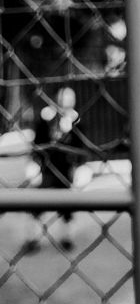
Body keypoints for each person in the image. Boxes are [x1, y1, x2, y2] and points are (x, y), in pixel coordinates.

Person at [22, 87, 80, 252]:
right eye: (64, 99)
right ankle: (32, 238)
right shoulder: (46, 118)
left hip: (65, 170)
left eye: (70, 99)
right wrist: (34, 164)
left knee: (67, 207)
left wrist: (80, 167)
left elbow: (80, 148)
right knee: (37, 205)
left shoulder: (76, 122)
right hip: (46, 169)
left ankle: (66, 238)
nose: (66, 103)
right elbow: (37, 144)